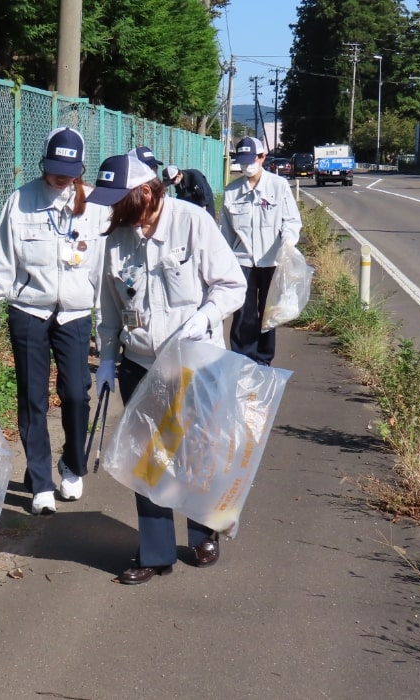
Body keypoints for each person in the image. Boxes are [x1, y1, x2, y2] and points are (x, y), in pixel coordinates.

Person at [89, 149, 247, 585]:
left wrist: (206, 316)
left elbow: (232, 285)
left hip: (195, 360)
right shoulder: (117, 238)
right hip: (140, 363)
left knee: (197, 449)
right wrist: (105, 360)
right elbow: (108, 309)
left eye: (120, 200)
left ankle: (204, 532)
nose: (114, 211)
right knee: (150, 459)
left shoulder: (192, 222)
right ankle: (155, 551)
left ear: (145, 191)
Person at [0, 127, 108, 515]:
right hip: (29, 311)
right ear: (44, 163)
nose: (61, 176)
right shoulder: (20, 202)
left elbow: (104, 271)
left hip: (74, 314)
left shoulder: (96, 208)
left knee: (76, 393)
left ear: (80, 169)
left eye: (69, 170)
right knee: (32, 397)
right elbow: (1, 263)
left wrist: (106, 329)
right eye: (55, 168)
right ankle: (39, 480)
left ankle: (71, 464)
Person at [220, 136, 301, 366]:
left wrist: (288, 241)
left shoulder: (279, 186)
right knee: (243, 312)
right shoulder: (231, 191)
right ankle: (243, 359)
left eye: (250, 160)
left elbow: (292, 220)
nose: (246, 165)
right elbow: (225, 232)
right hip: (242, 260)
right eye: (242, 161)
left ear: (262, 157)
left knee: (269, 311)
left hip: (272, 259)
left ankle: (264, 359)